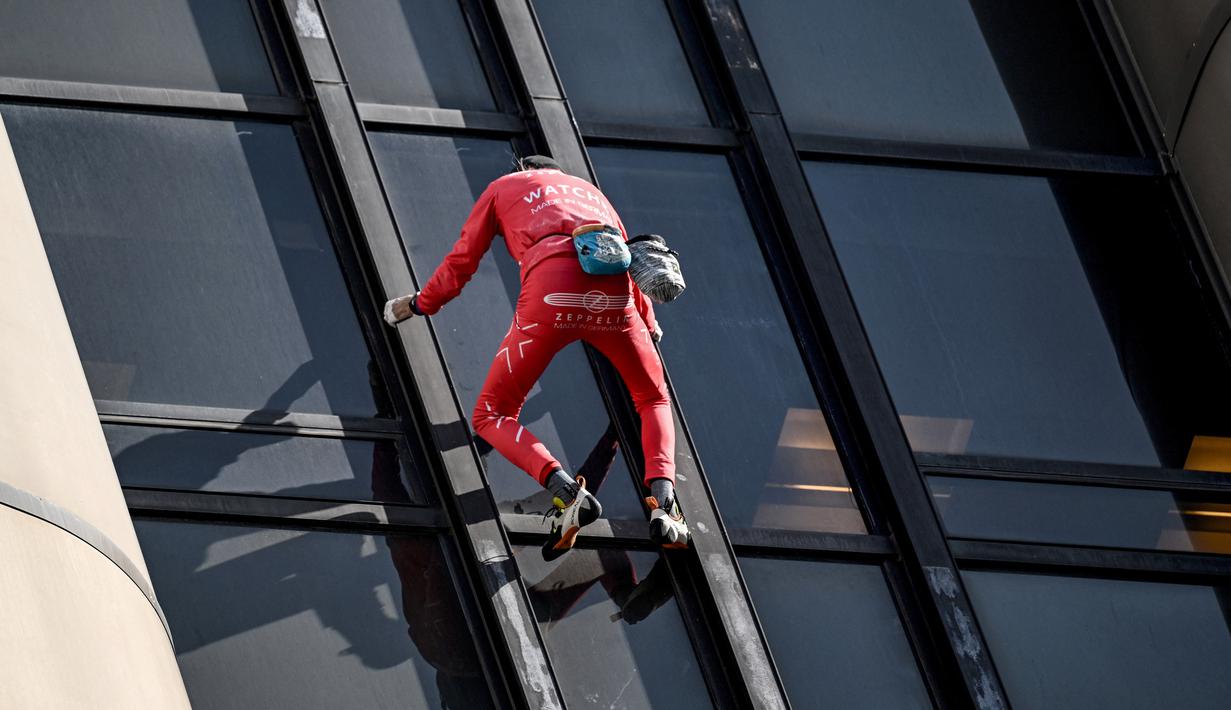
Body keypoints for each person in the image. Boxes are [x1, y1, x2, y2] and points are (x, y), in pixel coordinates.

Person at [384, 155, 688, 558]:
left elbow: (462, 262)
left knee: (492, 415)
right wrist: (647, 327)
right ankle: (664, 505)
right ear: (559, 173)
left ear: (522, 169)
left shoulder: (503, 187)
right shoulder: (592, 192)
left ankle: (567, 493)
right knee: (652, 398)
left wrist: (422, 305)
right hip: (613, 300)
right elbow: (630, 260)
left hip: (551, 293)